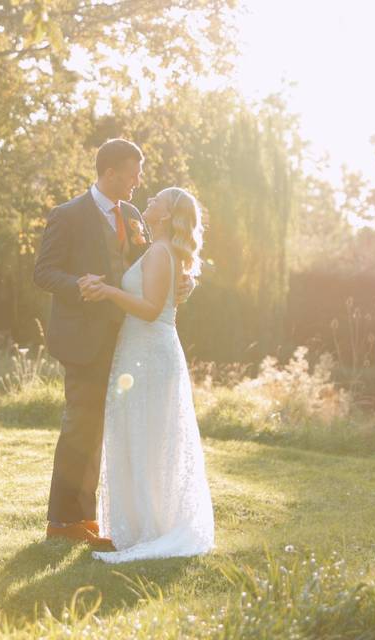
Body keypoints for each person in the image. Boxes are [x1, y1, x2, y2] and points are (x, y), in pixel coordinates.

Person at [33, 139, 194, 549]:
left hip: (129, 342)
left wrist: (180, 279)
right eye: (134, 173)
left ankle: (89, 518)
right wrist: (78, 285)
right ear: (110, 173)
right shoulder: (68, 215)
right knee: (80, 425)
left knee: (115, 430)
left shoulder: (135, 214)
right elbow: (44, 273)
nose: (140, 181)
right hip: (83, 340)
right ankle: (63, 520)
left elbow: (146, 266)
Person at [84, 186, 215, 563]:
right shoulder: (158, 250)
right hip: (141, 351)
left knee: (145, 435)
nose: (149, 201)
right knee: (141, 435)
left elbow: (149, 308)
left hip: (149, 354)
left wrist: (108, 290)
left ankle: (150, 530)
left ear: (166, 214)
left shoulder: (160, 252)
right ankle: (142, 525)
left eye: (157, 200)